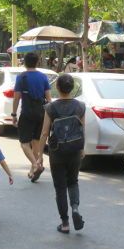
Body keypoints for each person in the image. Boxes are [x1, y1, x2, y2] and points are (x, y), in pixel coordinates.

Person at [38, 74, 86, 233]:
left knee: (60, 188)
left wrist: (39, 156)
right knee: (73, 181)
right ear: (71, 87)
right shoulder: (80, 106)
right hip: (74, 150)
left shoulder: (51, 108)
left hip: (57, 152)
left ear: (57, 88)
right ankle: (75, 208)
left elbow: (44, 133)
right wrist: (82, 149)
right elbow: (82, 129)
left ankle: (65, 224)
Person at [12, 52, 51, 182]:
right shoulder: (43, 77)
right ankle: (33, 169)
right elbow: (49, 99)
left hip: (27, 113)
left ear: (24, 62)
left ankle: (35, 165)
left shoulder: (21, 77)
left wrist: (13, 114)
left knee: (24, 142)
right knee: (36, 142)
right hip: (41, 113)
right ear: (37, 62)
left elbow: (17, 97)